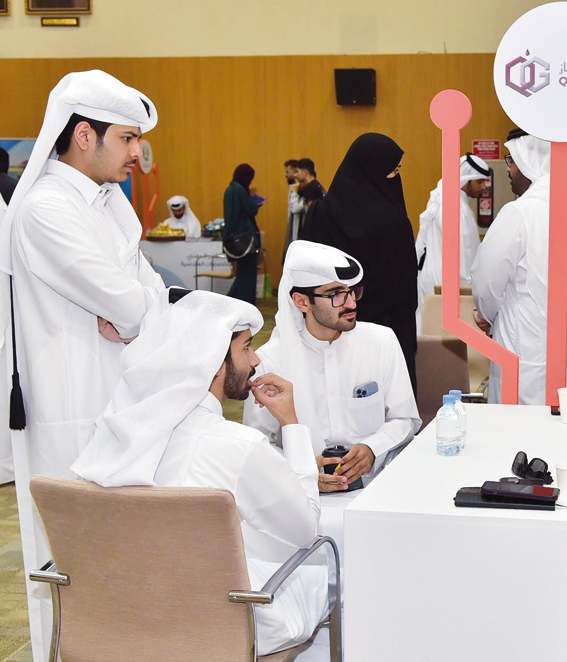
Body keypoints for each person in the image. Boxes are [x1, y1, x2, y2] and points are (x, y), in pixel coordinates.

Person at [0, 69, 165, 661]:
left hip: (118, 400)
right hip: (72, 414)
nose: (137, 152)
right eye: (126, 137)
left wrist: (134, 311)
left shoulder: (102, 205)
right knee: (77, 568)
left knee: (124, 565)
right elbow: (128, 301)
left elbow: (149, 298)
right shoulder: (47, 208)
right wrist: (134, 311)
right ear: (83, 135)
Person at [72, 290, 330, 655]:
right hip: (226, 626)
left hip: (124, 618)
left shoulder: (112, 433)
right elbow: (305, 531)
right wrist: (291, 424)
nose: (255, 360)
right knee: (329, 572)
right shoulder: (240, 445)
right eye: (245, 348)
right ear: (215, 361)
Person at [244, 239, 420, 559]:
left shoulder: (381, 341)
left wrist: (371, 449)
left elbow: (405, 419)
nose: (351, 302)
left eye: (353, 291)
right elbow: (258, 444)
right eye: (337, 294)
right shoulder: (270, 362)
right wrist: (301, 470)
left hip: (376, 494)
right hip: (303, 505)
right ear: (302, 301)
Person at [471, 128, 567, 404]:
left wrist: (488, 316)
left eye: (512, 160)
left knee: (526, 438)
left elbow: (485, 286)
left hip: (531, 349)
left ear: (530, 161)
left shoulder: (520, 213)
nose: (509, 169)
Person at [301, 133, 418, 392]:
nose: (396, 178)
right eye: (393, 172)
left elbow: (304, 275)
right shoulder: (394, 223)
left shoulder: (319, 213)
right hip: (383, 339)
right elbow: (404, 292)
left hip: (327, 331)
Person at [414, 153, 489, 334]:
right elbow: (461, 259)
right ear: (466, 180)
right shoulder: (454, 207)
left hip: (437, 283)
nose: (484, 186)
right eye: (479, 181)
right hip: (445, 286)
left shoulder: (451, 202)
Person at [224, 163, 261, 304]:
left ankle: (228, 303)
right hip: (246, 241)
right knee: (247, 278)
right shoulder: (240, 190)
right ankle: (234, 304)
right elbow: (252, 209)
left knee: (241, 276)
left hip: (234, 241)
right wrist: (252, 196)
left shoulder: (229, 190)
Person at [283, 158, 305, 262]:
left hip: (299, 233)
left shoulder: (300, 189)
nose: (286, 175)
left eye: (288, 172)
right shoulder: (293, 188)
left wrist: (295, 192)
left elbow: (296, 208)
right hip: (292, 228)